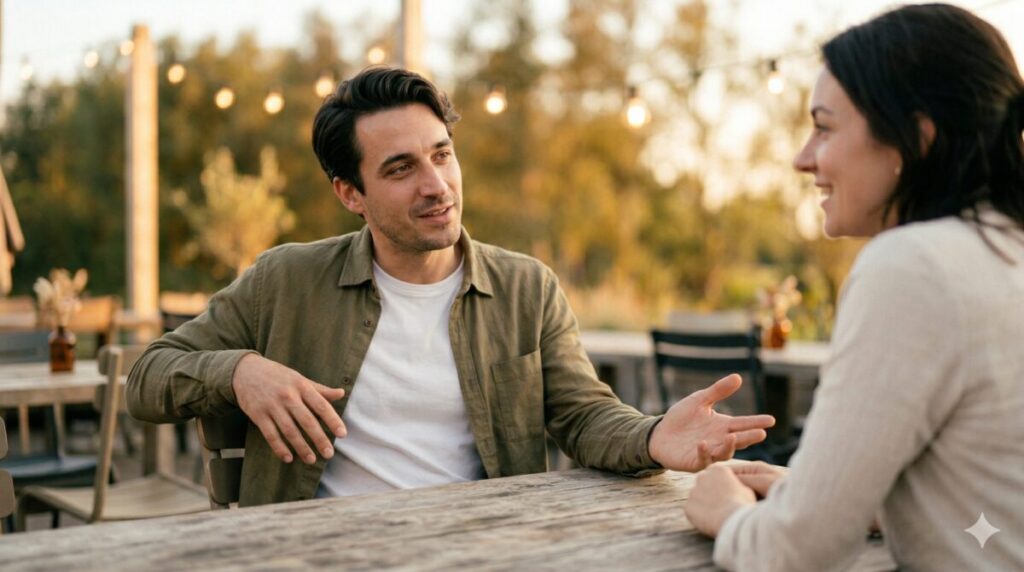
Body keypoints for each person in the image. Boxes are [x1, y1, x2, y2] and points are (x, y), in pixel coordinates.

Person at [126, 66, 774, 506]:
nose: (436, 185)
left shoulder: (527, 289)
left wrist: (652, 436)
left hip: (477, 544)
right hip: (317, 549)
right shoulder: (286, 280)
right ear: (350, 193)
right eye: (401, 168)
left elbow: (582, 415)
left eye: (441, 154)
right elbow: (147, 377)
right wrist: (239, 371)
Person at [683, 4, 1024, 570]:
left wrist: (729, 513)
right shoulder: (1003, 253)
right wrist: (839, 498)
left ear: (916, 138)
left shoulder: (913, 266)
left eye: (824, 127)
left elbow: (793, 554)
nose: (802, 158)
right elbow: (997, 514)